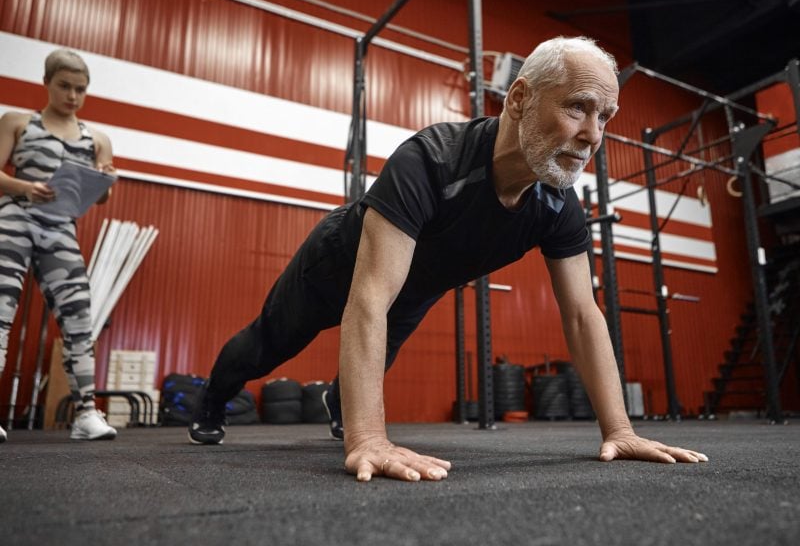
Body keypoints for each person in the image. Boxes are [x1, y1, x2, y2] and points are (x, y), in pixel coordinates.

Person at [189, 36, 708, 480]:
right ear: (521, 98)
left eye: (605, 117)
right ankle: (212, 400)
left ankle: (339, 403)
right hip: (338, 266)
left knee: (363, 376)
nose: (594, 135)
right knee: (267, 345)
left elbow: (581, 313)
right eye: (578, 107)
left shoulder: (557, 205)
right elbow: (369, 294)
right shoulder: (431, 160)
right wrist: (368, 440)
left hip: (415, 287)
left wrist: (619, 429)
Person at [0, 48, 118, 443]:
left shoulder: (97, 139)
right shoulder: (18, 122)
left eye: (80, 89)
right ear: (47, 83)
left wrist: (105, 182)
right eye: (64, 86)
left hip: (60, 228)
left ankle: (85, 413)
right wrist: (25, 187)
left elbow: (98, 199)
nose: (72, 96)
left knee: (80, 318)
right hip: (14, 218)